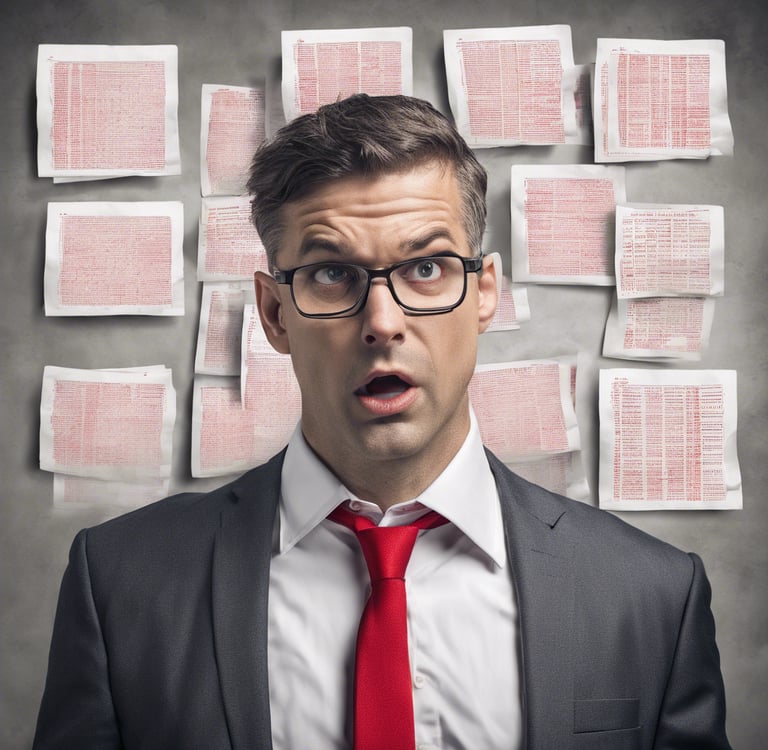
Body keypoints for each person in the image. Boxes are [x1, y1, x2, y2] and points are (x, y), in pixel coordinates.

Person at [33, 94, 731, 750]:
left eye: (426, 266)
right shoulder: (121, 583)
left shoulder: (652, 595)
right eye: (332, 274)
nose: (384, 323)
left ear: (484, 293)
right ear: (275, 314)